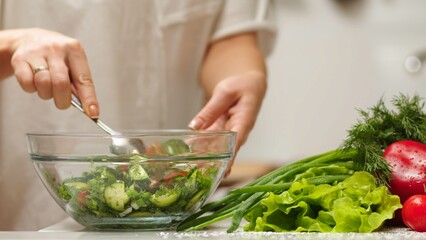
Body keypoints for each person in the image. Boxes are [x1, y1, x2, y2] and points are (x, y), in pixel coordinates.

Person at [0, 0, 276, 230]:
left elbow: (233, 36)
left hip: (176, 201)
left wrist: (243, 78)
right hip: (23, 207)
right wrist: (14, 42)